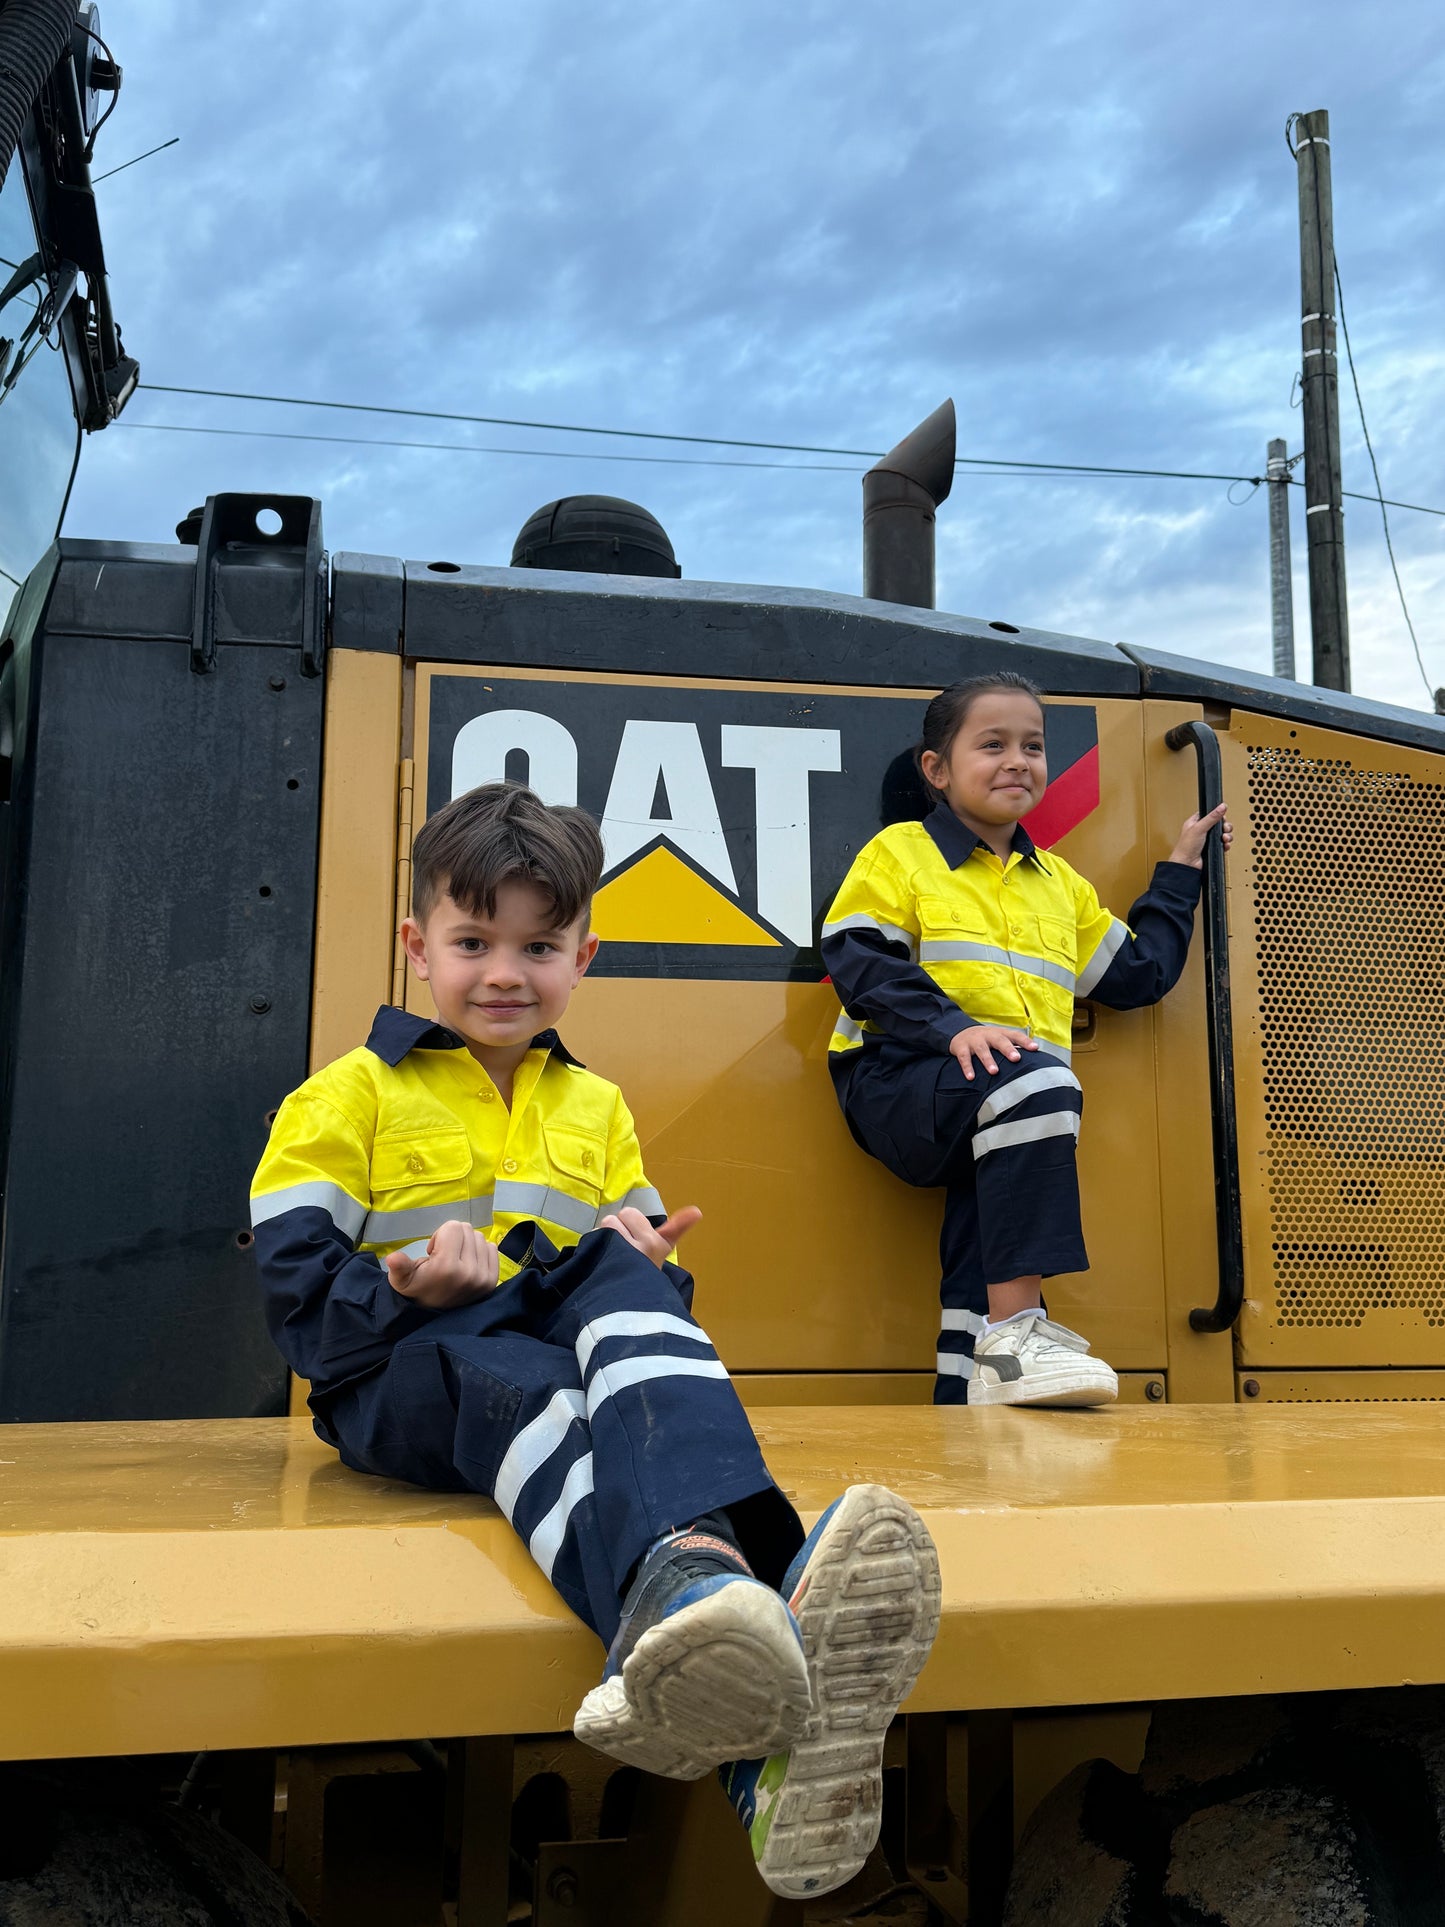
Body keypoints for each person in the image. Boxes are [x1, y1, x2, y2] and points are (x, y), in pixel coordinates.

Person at [250, 780, 938, 1900]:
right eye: (474, 941)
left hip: (540, 1378)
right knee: (529, 1383)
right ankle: (740, 1579)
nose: (505, 972)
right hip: (393, 1381)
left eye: (539, 944)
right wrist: (404, 1286)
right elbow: (292, 1303)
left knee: (619, 1289)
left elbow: (649, 1336)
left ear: (585, 954)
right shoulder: (347, 1095)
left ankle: (726, 1667)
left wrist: (659, 1263)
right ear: (419, 946)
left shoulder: (600, 1108)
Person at [821, 672, 1231, 1408]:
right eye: (993, 744)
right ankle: (1019, 1329)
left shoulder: (1060, 886)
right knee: (1036, 1079)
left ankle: (972, 1386)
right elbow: (858, 958)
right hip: (895, 1080)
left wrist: (1178, 874)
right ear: (936, 770)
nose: (1018, 760)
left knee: (993, 1210)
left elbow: (1136, 973)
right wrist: (953, 1028)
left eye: (1033, 746)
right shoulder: (900, 853)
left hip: (996, 1104)